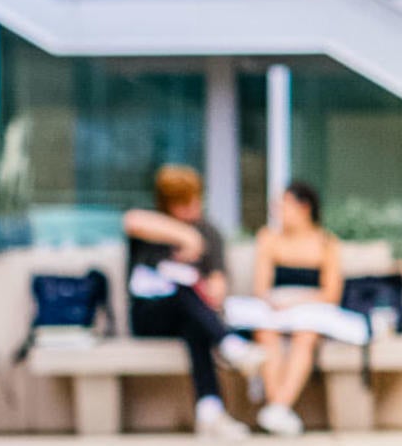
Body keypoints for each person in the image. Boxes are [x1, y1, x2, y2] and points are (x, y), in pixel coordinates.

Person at [122, 164, 265, 440]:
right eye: (184, 203)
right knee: (178, 290)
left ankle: (210, 412)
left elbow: (218, 285)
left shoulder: (210, 231)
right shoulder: (151, 227)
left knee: (193, 319)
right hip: (150, 316)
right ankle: (231, 345)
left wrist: (210, 288)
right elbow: (132, 220)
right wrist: (185, 236)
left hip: (192, 318)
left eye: (196, 199)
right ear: (167, 204)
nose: (193, 206)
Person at [243, 181, 345, 437]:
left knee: (306, 335)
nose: (277, 211)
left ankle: (276, 407)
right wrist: (275, 302)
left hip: (310, 311)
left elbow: (331, 293)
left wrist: (298, 301)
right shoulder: (268, 238)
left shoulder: (326, 243)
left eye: (283, 205)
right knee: (265, 332)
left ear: (304, 207)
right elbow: (260, 287)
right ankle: (279, 411)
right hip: (275, 311)